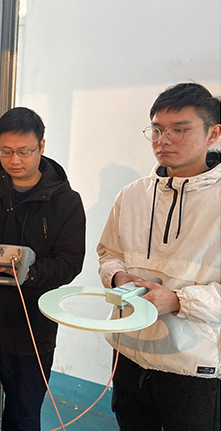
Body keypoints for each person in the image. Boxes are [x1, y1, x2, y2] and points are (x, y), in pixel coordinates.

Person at [97, 83, 221, 431]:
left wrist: (179, 301)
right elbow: (109, 253)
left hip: (194, 365)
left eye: (179, 130)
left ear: (213, 134)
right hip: (129, 352)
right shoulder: (132, 195)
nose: (163, 140)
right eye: (157, 130)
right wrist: (118, 277)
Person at [0, 107, 86, 430]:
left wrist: (31, 273)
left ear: (42, 146)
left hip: (32, 330)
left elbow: (71, 262)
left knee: (24, 417)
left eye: (24, 151)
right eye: (6, 151)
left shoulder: (66, 201)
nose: (14, 160)